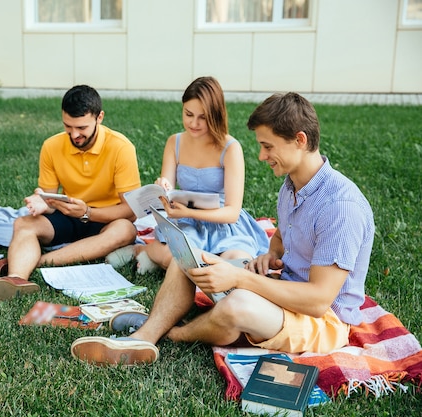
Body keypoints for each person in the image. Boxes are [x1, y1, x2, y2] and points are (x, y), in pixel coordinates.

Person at [70, 92, 375, 365]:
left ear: (299, 140)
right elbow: (282, 235)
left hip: (323, 319)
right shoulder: (294, 184)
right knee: (189, 256)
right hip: (286, 289)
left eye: (267, 146)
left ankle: (172, 334)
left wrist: (240, 277)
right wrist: (269, 255)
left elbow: (318, 300)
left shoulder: (340, 207)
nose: (261, 156)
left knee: (236, 305)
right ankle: (147, 334)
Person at [0, 85, 141, 304]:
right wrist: (43, 202)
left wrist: (87, 212)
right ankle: (16, 279)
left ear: (99, 117)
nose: (74, 134)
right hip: (68, 213)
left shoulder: (121, 148)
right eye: (68, 126)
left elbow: (131, 211)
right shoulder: (51, 146)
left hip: (105, 218)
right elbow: (51, 199)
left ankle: (37, 261)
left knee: (125, 230)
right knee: (24, 224)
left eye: (81, 127)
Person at [106, 76, 269, 274]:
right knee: (180, 258)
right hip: (187, 224)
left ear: (216, 115)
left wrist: (189, 212)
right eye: (188, 114)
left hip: (223, 225)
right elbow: (168, 187)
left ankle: (167, 259)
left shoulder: (231, 148)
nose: (193, 123)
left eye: (203, 117)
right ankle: (142, 249)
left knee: (238, 263)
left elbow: (232, 213)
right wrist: (163, 186)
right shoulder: (174, 142)